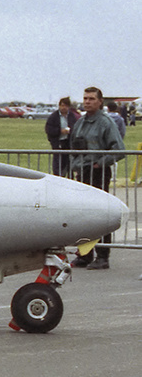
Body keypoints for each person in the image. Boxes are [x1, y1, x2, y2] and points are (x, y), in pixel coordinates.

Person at [69, 86, 125, 270]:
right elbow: (73, 147)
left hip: (98, 172)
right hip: (82, 172)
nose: (87, 102)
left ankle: (103, 256)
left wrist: (99, 164)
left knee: (100, 215)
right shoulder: (80, 122)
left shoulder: (106, 123)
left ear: (100, 102)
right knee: (82, 215)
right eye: (85, 98)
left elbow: (118, 150)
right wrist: (75, 164)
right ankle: (84, 255)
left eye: (91, 99)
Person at [45, 97, 75, 177]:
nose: (63, 107)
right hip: (58, 143)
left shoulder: (72, 116)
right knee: (58, 163)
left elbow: (75, 128)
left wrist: (70, 131)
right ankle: (57, 177)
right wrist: (60, 131)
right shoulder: (53, 117)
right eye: (62, 105)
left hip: (68, 143)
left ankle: (69, 178)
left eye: (65, 106)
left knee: (69, 163)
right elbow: (49, 129)